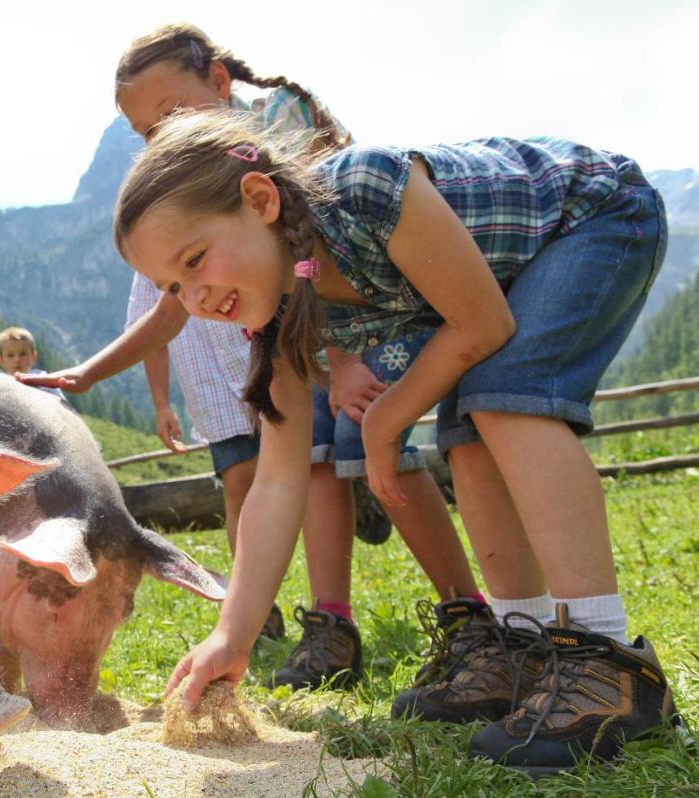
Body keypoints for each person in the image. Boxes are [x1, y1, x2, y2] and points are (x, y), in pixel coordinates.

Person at [115, 108, 673, 775]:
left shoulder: (365, 191)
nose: (196, 295)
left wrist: (383, 424)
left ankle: (607, 665)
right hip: (505, 282)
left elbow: (483, 321)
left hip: (594, 214)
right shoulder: (281, 316)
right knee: (469, 434)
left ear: (260, 200)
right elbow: (278, 479)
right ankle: (524, 650)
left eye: (195, 259)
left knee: (506, 395)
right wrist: (232, 634)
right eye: (175, 286)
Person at [23, 22, 482, 689]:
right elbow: (167, 309)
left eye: (171, 114)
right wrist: (91, 372)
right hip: (283, 339)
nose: (162, 136)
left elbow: (328, 235)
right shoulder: (183, 202)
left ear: (217, 81)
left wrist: (347, 352)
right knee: (310, 461)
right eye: (147, 132)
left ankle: (465, 608)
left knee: (371, 441)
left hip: (349, 324)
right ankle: (331, 622)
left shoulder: (282, 124)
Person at [0, 326, 65, 400]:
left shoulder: (44, 381)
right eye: (10, 355)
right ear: (1, 360)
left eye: (23, 354)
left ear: (34, 356)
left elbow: (63, 405)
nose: (17, 359)